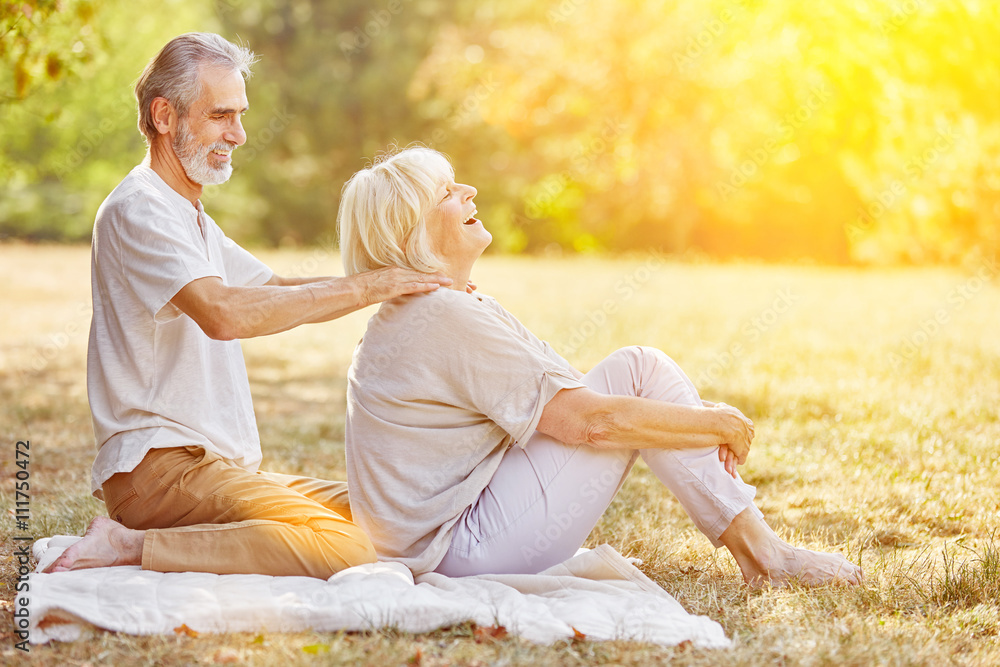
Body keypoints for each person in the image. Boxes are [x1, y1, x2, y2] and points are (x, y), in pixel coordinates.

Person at [338, 146, 863, 586]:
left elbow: (566, 393)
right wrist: (716, 423)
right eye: (446, 194)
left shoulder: (432, 308)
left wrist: (694, 417)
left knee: (638, 373)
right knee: (639, 369)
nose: (468, 191)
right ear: (412, 232)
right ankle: (767, 558)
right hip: (457, 555)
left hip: (444, 543)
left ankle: (761, 550)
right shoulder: (442, 315)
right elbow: (590, 423)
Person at [44, 34, 452, 578]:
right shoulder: (138, 209)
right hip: (159, 472)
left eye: (239, 115)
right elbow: (225, 314)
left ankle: (160, 540)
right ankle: (129, 546)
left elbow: (277, 287)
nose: (237, 134)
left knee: (385, 515)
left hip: (210, 466)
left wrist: (396, 280)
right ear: (164, 115)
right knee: (346, 546)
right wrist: (373, 287)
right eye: (220, 116)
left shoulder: (187, 215)